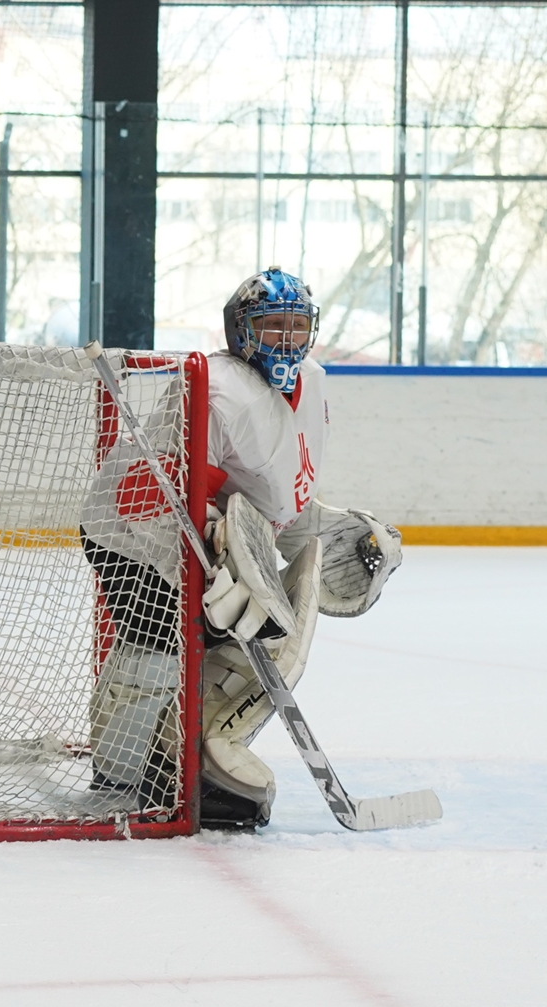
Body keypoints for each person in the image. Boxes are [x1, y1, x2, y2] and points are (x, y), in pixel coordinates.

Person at [80, 267, 403, 830]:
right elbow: (143, 497)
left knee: (257, 638)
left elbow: (281, 495)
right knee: (158, 645)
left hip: (207, 536)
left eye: (296, 327)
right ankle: (128, 775)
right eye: (270, 325)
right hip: (133, 534)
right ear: (240, 330)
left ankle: (186, 762)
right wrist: (218, 546)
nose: (285, 339)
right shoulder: (219, 390)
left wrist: (322, 531)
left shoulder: (315, 384)